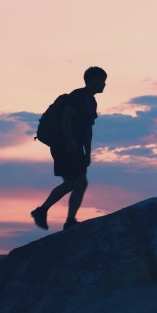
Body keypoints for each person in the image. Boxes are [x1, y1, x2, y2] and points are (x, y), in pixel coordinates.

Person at [31, 66, 107, 230]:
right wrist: (70, 140)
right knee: (76, 182)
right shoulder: (77, 96)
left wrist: (88, 153)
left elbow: (88, 129)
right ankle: (53, 215)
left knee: (77, 182)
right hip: (63, 145)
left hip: (75, 147)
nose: (104, 84)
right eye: (102, 80)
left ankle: (59, 217)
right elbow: (66, 118)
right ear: (91, 80)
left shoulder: (91, 101)